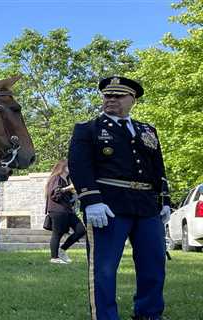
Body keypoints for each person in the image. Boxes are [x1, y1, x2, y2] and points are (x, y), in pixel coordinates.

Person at [68, 76, 171, 320]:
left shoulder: (147, 130)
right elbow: (79, 166)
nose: (111, 99)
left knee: (154, 265)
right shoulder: (88, 129)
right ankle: (105, 316)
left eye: (118, 96)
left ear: (132, 100)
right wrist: (91, 200)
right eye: (107, 95)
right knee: (104, 269)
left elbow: (158, 166)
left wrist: (165, 200)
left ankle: (148, 313)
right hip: (108, 205)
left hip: (146, 206)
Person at [45, 159, 85, 264]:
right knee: (57, 233)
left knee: (81, 230)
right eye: (69, 166)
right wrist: (67, 188)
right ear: (63, 167)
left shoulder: (67, 180)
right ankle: (54, 258)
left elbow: (68, 197)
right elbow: (54, 194)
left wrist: (74, 194)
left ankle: (62, 250)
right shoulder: (56, 178)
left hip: (67, 210)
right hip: (57, 210)